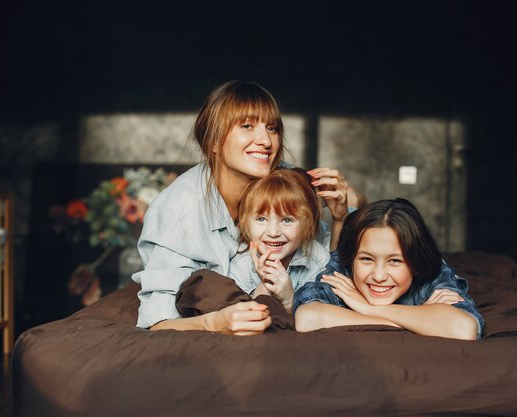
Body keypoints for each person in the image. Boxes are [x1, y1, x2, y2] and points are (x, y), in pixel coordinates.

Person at [132, 80, 349, 334]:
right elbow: (158, 323)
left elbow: (342, 233)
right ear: (213, 142)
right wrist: (215, 323)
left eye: (272, 128)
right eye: (247, 126)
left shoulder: (283, 179)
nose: (266, 141)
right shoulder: (177, 211)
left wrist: (344, 211)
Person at [293, 198, 484, 340]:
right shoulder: (342, 270)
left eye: (394, 261)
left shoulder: (433, 274)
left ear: (416, 264)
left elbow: (463, 329)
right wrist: (417, 322)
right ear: (351, 260)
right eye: (367, 259)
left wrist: (367, 308)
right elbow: (307, 318)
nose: (378, 276)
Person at [228, 168, 331, 314]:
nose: (273, 232)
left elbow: (314, 321)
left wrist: (290, 300)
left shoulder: (317, 261)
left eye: (287, 220)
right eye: (261, 219)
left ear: (306, 225)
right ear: (246, 222)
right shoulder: (239, 262)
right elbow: (241, 319)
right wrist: (263, 289)